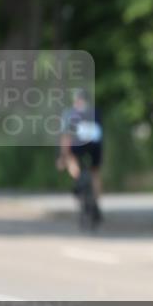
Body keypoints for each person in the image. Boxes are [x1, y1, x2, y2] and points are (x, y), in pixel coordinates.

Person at [57, 88, 104, 223]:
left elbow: (66, 136)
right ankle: (96, 202)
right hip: (95, 145)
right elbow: (100, 133)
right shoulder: (95, 111)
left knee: (71, 158)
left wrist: (63, 156)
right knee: (95, 172)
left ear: (75, 100)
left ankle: (78, 179)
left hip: (78, 145)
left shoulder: (70, 113)